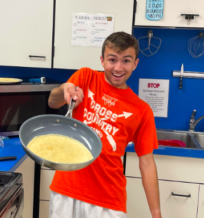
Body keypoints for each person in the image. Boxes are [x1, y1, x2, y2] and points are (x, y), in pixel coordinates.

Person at [48, 32, 162, 218]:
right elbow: (53, 102)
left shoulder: (142, 110)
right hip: (67, 189)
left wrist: (156, 213)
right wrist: (64, 89)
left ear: (135, 63)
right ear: (102, 60)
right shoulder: (86, 77)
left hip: (108, 199)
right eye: (112, 59)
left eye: (126, 60)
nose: (118, 67)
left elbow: (147, 163)